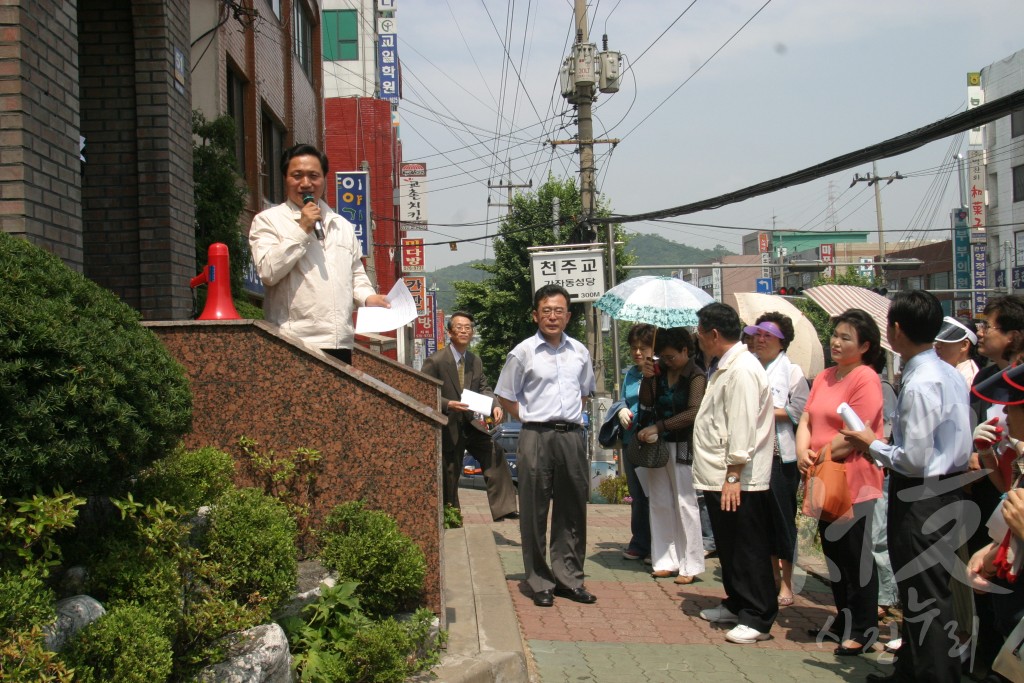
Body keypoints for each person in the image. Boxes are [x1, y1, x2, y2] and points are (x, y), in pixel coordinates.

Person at [843, 290, 973, 683]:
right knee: (922, 590)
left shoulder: (921, 382)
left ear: (895, 330)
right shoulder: (944, 370)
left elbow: (913, 458)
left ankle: (934, 674)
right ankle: (912, 671)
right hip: (943, 489)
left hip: (922, 495)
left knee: (927, 594)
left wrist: (872, 444)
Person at [495, 285, 597, 608]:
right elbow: (506, 395)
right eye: (546, 311)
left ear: (568, 316)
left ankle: (569, 579)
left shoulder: (580, 352)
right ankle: (539, 581)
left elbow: (584, 392)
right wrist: (528, 416)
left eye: (559, 311)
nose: (552, 317)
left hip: (571, 437)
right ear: (535, 315)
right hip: (535, 436)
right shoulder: (523, 352)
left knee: (572, 509)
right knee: (534, 509)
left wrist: (567, 416)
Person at [795, 309, 885, 657]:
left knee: (855, 555)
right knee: (833, 552)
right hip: (821, 475)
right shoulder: (825, 376)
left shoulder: (866, 378)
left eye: (846, 337)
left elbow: (858, 431)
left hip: (854, 477)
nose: (836, 341)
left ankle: (863, 629)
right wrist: (804, 450)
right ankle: (845, 621)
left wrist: (819, 454)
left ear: (865, 346)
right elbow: (806, 417)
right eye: (835, 335)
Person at [249, 144, 390, 364]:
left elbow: (355, 274)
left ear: (324, 179)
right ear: (285, 178)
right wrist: (302, 229)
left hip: (340, 342)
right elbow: (268, 271)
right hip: (293, 342)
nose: (306, 183)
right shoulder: (268, 221)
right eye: (297, 175)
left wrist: (368, 297)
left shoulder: (342, 225)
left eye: (313, 176)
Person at [691, 303, 777, 644]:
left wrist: (732, 476)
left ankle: (757, 615)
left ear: (713, 334)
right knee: (729, 544)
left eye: (699, 332)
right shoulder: (724, 366)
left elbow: (742, 426)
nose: (697, 338)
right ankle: (737, 603)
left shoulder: (741, 369)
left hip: (739, 477)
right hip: (721, 473)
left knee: (747, 545)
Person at [421, 311, 517, 520]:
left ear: (472, 332)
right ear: (449, 332)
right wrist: (447, 404)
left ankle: (505, 508)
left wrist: (495, 405)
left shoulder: (475, 361)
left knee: (493, 451)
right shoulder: (435, 361)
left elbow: (484, 387)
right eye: (459, 327)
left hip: (471, 424)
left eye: (468, 327)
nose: (464, 331)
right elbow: (423, 392)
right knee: (450, 471)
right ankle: (450, 517)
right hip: (448, 425)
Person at [745, 313, 809, 608]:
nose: (759, 339)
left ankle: (787, 582)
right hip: (753, 454)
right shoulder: (750, 367)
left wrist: (764, 411)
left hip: (780, 456)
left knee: (783, 519)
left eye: (767, 335)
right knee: (760, 521)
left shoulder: (792, 371)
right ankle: (769, 578)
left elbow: (800, 411)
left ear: (782, 341)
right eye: (757, 334)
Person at [636, 327, 707, 585]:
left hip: (684, 445)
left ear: (685, 351)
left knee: (686, 503)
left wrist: (660, 426)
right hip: (660, 447)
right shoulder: (660, 372)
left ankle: (691, 563)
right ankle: (665, 559)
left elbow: (693, 412)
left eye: (671, 357)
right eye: (662, 357)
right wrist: (647, 377)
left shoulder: (696, 375)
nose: (667, 361)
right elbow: (647, 403)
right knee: (660, 501)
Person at [614, 324, 655, 563]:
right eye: (633, 348)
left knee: (655, 495)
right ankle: (639, 542)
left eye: (643, 348)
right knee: (637, 495)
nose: (637, 353)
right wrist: (622, 409)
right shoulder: (630, 373)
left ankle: (657, 544)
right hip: (631, 441)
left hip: (652, 440)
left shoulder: (660, 371)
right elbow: (622, 399)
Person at [934, 316, 980, 388]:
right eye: (938, 341)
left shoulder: (966, 379)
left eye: (944, 341)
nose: (937, 345)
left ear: (964, 345)